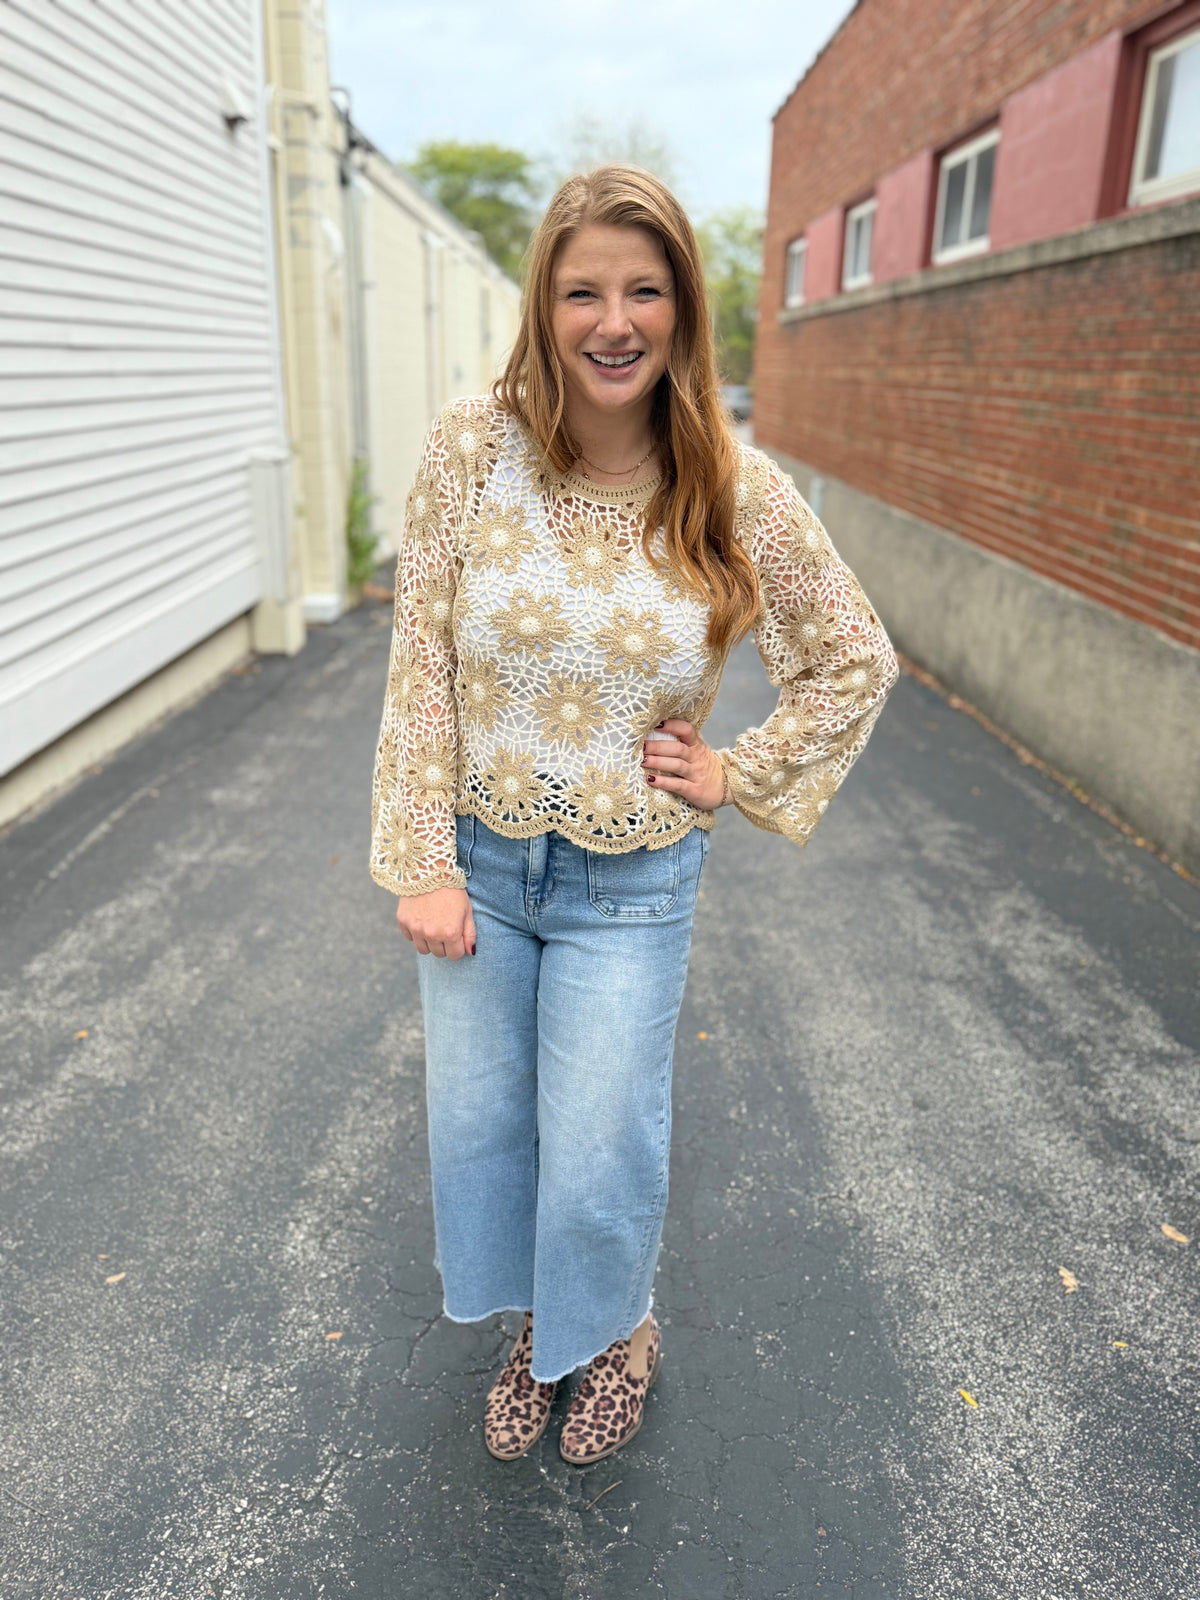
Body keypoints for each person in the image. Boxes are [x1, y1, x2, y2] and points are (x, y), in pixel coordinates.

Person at [369, 165, 897, 1465]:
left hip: (633, 884)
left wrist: (740, 770)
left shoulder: (733, 484)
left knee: (600, 1137)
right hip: (484, 864)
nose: (615, 320)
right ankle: (545, 1326)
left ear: (681, 311)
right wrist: (423, 862)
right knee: (488, 1129)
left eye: (644, 290)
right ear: (545, 306)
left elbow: (852, 659)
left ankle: (618, 1334)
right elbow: (420, 659)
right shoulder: (469, 452)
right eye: (584, 289)